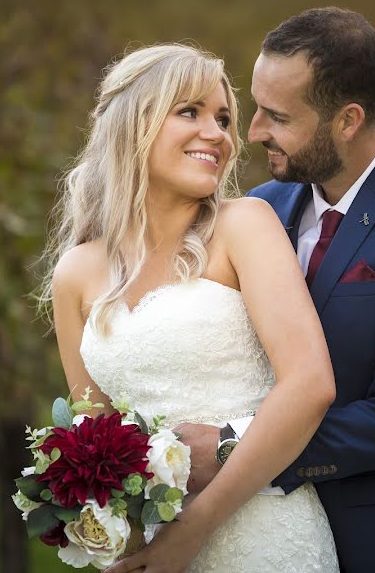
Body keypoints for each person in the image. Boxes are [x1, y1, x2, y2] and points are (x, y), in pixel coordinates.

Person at [175, 7, 375, 572]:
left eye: (277, 116)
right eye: (254, 108)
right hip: (254, 540)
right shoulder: (259, 211)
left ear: (347, 120)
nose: (252, 133)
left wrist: (232, 448)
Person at [38, 44, 340, 572]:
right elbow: (95, 435)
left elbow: (310, 385)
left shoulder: (244, 225)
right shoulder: (76, 274)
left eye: (223, 118)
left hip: (263, 534)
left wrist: (191, 534)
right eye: (190, 112)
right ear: (134, 125)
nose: (218, 134)